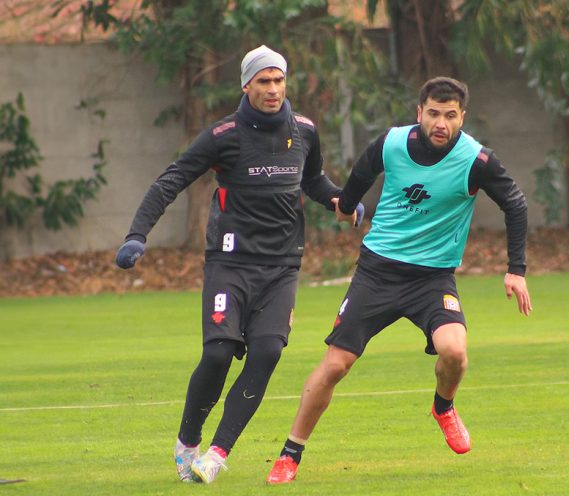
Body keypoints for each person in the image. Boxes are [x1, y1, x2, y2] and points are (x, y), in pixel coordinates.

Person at [114, 45, 362, 485]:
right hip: (230, 263)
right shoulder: (222, 135)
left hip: (282, 265)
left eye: (279, 80)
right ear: (246, 84)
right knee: (218, 353)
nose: (272, 89)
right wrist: (137, 235)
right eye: (263, 81)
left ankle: (218, 452)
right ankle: (187, 441)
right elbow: (171, 180)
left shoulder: (304, 130)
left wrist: (341, 199)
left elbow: (314, 179)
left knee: (267, 351)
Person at [266, 76, 532, 484]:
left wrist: (516, 270)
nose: (440, 123)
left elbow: (515, 204)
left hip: (432, 279)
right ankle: (290, 453)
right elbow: (362, 171)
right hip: (378, 271)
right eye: (433, 113)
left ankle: (443, 408)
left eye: (449, 115)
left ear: (462, 117)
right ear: (419, 113)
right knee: (337, 364)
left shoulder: (477, 160)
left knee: (455, 352)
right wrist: (349, 204)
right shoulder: (391, 143)